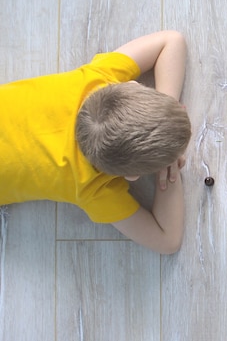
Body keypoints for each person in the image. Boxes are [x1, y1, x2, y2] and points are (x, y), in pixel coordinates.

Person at [0, 31, 191, 254]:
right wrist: (168, 170)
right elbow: (167, 241)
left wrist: (166, 109)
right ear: (131, 176)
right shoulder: (93, 189)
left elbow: (172, 40)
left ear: (130, 85)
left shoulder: (97, 79)